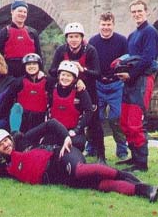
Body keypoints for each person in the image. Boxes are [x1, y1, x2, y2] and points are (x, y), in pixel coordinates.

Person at [0, 119, 158, 203]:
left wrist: (65, 138)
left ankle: (125, 175)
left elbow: (51, 123)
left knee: (79, 171)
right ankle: (143, 190)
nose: (6, 145)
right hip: (58, 176)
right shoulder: (6, 167)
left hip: (63, 155)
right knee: (99, 185)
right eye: (0, 146)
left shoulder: (23, 139)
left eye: (6, 140)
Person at [49, 22, 106, 164]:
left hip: (88, 89)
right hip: (68, 90)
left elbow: (97, 73)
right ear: (66, 38)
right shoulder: (61, 50)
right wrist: (66, 72)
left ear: (81, 38)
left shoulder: (90, 50)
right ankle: (62, 145)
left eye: (76, 36)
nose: (73, 40)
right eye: (70, 37)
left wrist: (83, 70)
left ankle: (101, 156)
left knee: (94, 122)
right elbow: (52, 70)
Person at [115, 0, 158, 172]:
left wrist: (130, 74)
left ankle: (142, 163)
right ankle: (134, 157)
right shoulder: (132, 35)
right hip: (130, 81)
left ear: (146, 11)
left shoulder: (150, 32)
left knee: (135, 122)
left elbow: (148, 59)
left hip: (142, 81)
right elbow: (131, 58)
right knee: (125, 122)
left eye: (139, 11)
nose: (136, 14)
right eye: (133, 12)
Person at [88, 12, 129, 161]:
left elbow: (128, 60)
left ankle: (122, 150)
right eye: (103, 25)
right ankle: (91, 147)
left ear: (113, 25)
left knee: (116, 117)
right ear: (99, 25)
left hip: (116, 84)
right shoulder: (92, 41)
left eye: (109, 24)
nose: (106, 28)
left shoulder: (122, 41)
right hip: (98, 84)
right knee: (94, 117)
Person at [48, 60, 93, 152]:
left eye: (69, 76)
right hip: (55, 131)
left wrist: (77, 130)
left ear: (74, 78)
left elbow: (89, 111)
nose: (65, 78)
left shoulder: (80, 91)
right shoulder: (52, 88)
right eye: (63, 75)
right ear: (59, 76)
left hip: (73, 132)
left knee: (76, 145)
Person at [3, 53, 51, 133]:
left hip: (40, 119)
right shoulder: (18, 82)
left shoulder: (48, 82)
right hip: (22, 119)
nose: (31, 66)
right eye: (28, 64)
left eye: (34, 64)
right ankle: (15, 133)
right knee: (16, 107)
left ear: (39, 66)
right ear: (24, 67)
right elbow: (6, 101)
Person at [0, 0, 42, 77]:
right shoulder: (4, 32)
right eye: (20, 11)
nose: (22, 14)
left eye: (24, 12)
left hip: (29, 73)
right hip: (9, 74)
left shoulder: (33, 32)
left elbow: (39, 55)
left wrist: (40, 72)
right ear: (12, 12)